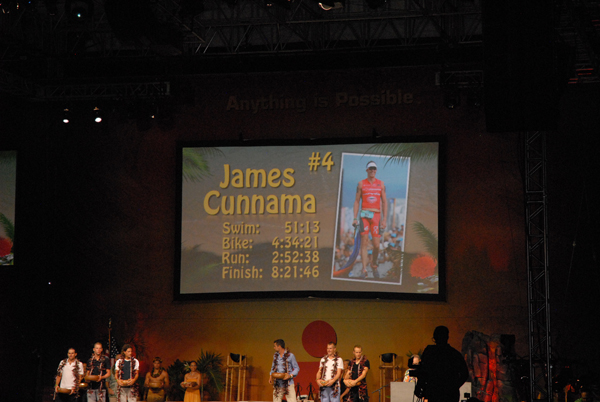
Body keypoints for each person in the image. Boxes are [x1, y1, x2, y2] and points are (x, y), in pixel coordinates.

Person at [353, 161, 387, 279]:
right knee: (364, 242)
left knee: (376, 245)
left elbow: (384, 202)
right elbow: (357, 201)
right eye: (370, 168)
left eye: (374, 168)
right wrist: (354, 218)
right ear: (367, 170)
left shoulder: (381, 184)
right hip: (364, 216)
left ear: (376, 170)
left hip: (376, 216)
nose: (373, 170)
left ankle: (374, 264)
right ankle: (364, 269)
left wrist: (384, 219)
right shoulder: (361, 184)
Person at [418, 326, 469, 402]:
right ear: (447, 337)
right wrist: (454, 387)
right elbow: (464, 374)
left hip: (434, 393)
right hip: (450, 395)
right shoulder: (454, 354)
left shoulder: (430, 352)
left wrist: (420, 386)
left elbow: (423, 371)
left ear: (435, 337)